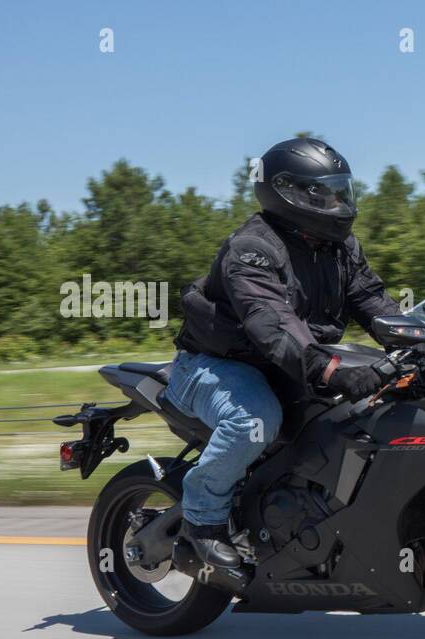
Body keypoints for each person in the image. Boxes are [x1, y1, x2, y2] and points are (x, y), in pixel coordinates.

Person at [164, 137, 403, 569]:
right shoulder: (253, 249)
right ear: (288, 193)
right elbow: (272, 324)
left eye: (340, 190)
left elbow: (373, 301)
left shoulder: (339, 248)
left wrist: (421, 343)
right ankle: (201, 525)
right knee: (254, 421)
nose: (337, 201)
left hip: (289, 364)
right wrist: (330, 371)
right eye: (324, 193)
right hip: (217, 365)